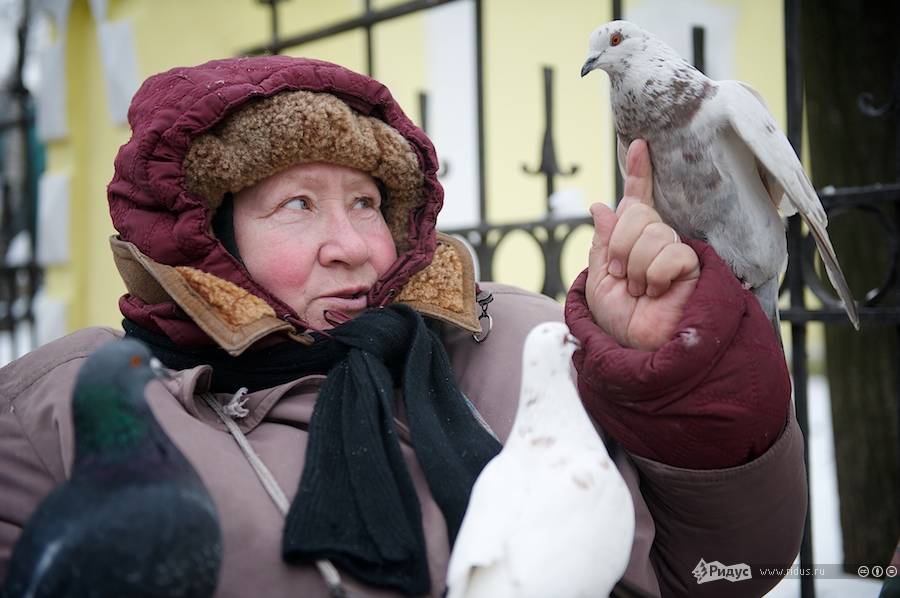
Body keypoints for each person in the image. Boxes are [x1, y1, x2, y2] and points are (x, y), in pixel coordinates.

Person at [0, 55, 806, 597]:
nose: (351, 247)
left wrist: (676, 372)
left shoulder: (520, 342)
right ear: (207, 239)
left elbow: (722, 572)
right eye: (296, 207)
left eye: (365, 204)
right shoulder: (72, 405)